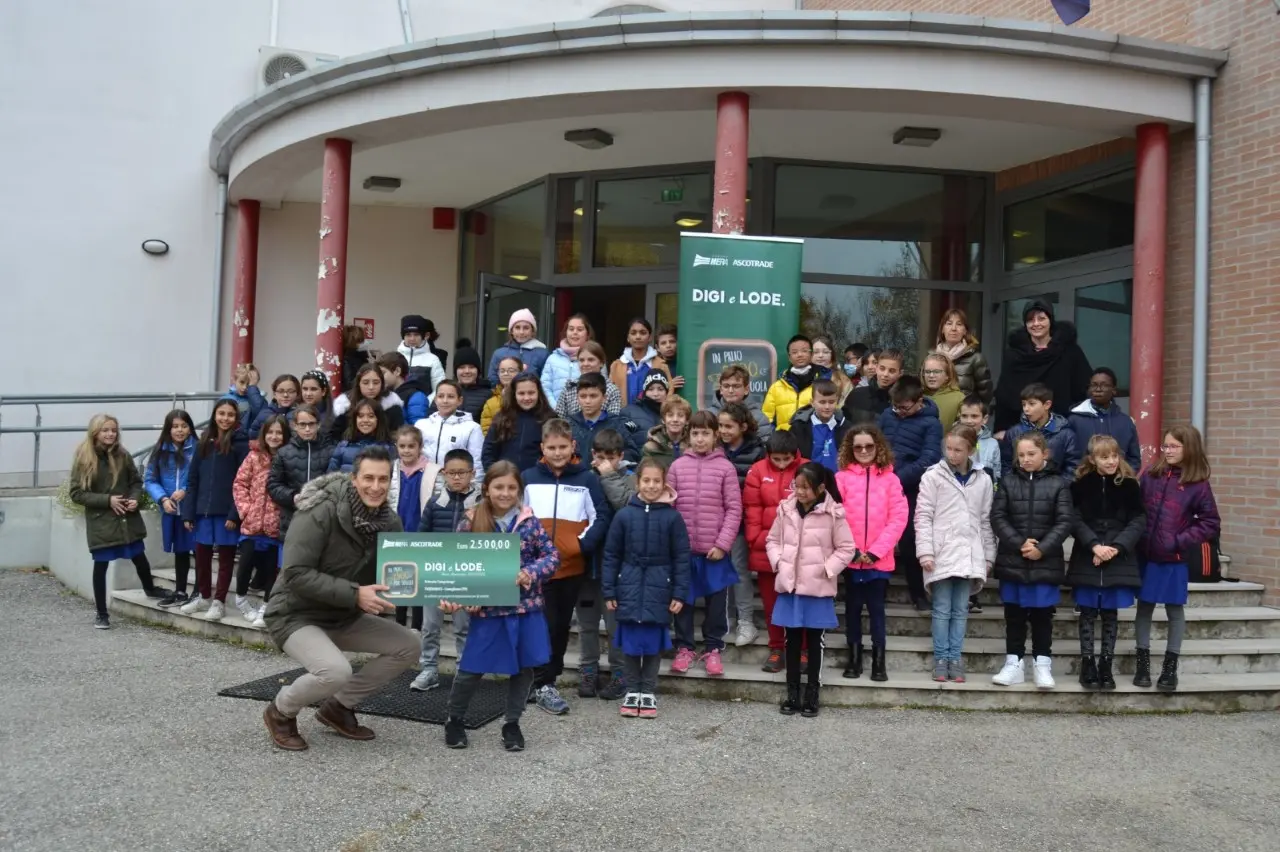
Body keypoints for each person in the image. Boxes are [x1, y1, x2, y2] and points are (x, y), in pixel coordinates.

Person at [260, 447, 420, 752]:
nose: (376, 486)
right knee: (335, 671)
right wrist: (355, 594)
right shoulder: (319, 510)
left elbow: (402, 577)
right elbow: (295, 573)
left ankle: (338, 707)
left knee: (409, 645)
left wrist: (448, 593)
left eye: (383, 479)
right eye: (368, 478)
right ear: (353, 478)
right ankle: (280, 711)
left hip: (342, 613)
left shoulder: (389, 521)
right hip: (295, 613)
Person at [443, 461, 560, 751]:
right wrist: (462, 597)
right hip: (488, 612)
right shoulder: (470, 521)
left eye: (511, 487)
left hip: (525, 609)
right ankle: (454, 720)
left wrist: (530, 573)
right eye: (499, 487)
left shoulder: (529, 522)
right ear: (487, 488)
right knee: (471, 669)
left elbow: (551, 556)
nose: (505, 493)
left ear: (519, 490)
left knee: (523, 670)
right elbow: (456, 566)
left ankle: (512, 723)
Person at [521, 419, 611, 714]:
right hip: (535, 571)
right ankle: (540, 682)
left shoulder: (587, 479)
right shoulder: (529, 478)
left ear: (572, 446)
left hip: (571, 568)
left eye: (562, 447)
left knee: (560, 626)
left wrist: (579, 546)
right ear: (542, 448)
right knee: (541, 625)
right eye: (551, 447)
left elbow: (601, 517)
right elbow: (517, 518)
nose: (557, 453)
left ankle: (548, 680)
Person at [602, 457, 690, 718]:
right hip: (628, 587)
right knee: (630, 645)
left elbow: (682, 558)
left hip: (659, 589)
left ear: (664, 483)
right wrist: (609, 590)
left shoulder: (673, 518)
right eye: (646, 480)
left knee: (652, 644)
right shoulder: (624, 515)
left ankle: (648, 691)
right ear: (637, 482)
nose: (651, 486)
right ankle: (632, 690)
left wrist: (679, 592)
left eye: (657, 481)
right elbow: (611, 555)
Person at [1134, 425, 1220, 693]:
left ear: (1189, 448)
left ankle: (1170, 668)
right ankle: (1142, 665)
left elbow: (1210, 522)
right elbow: (1137, 508)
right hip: (1146, 554)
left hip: (1174, 557)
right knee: (1144, 607)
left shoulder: (1198, 484)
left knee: (1174, 610)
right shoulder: (1150, 474)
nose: (1167, 451)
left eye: (1173, 446)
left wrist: (1178, 541)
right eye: (1165, 446)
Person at [767, 463, 856, 717]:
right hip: (790, 588)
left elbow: (846, 548)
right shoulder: (785, 510)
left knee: (815, 643)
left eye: (806, 487)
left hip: (817, 589)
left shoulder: (834, 514)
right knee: (791, 642)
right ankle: (792, 692)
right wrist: (778, 561)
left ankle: (812, 693)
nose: (801, 492)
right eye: (797, 486)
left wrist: (827, 569)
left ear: (820, 488)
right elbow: (772, 540)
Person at [989, 432, 1075, 690]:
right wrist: (1018, 543)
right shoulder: (1007, 482)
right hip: (1013, 559)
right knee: (1013, 615)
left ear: (1044, 454)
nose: (1025, 459)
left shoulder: (1059, 484)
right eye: (1022, 455)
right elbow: (998, 517)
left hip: (1044, 561)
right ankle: (1013, 663)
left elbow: (1064, 521)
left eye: (1031, 454)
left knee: (1041, 616)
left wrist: (1043, 548)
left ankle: (1042, 664)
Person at [915, 425, 995, 683]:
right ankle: (941, 658)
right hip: (940, 551)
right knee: (941, 608)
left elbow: (985, 520)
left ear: (971, 450)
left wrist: (988, 555)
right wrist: (925, 551)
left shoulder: (982, 479)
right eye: (948, 448)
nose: (952, 454)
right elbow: (923, 516)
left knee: (960, 609)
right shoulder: (933, 476)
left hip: (970, 552)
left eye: (958, 450)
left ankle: (955, 658)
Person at [69, 414, 164, 628]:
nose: (110, 434)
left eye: (113, 430)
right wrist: (107, 500)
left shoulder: (123, 455)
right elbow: (76, 493)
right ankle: (102, 614)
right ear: (95, 432)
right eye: (105, 430)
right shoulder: (84, 457)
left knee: (139, 555)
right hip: (102, 522)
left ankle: (150, 588)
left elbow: (136, 482)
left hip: (126, 519)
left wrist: (133, 499)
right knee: (101, 565)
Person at [667, 411, 742, 677]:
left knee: (716, 604)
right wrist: (674, 545)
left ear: (715, 436)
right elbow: (670, 506)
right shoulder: (677, 467)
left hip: (714, 551)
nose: (700, 439)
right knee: (683, 602)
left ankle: (713, 649)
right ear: (689, 435)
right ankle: (685, 648)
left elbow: (734, 509)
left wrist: (723, 543)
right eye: (696, 433)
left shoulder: (726, 468)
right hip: (684, 552)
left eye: (706, 433)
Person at [1069, 434, 1145, 691]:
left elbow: (1137, 520)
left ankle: (1106, 664)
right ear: (1092, 459)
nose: (1111, 461)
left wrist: (1115, 547)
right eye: (1104, 457)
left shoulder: (1130, 485)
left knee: (1110, 614)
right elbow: (1075, 519)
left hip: (1117, 557)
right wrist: (1094, 545)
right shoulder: (1080, 485)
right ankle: (1087, 663)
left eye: (1114, 455)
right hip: (1087, 555)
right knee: (1088, 613)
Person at [835, 425, 908, 682]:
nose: (864, 451)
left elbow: (898, 519)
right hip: (851, 559)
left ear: (878, 447)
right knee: (852, 610)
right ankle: (853, 658)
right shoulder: (841, 478)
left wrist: (876, 551)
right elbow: (836, 516)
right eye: (858, 447)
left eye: (869, 446)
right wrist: (852, 550)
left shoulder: (891, 479)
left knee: (877, 611)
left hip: (879, 560)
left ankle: (879, 661)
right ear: (850, 450)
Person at [410, 448, 478, 692]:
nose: (457, 478)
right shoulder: (435, 502)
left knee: (464, 626)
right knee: (430, 626)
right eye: (451, 473)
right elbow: (421, 536)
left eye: (462, 472)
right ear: (444, 474)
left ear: (473, 473)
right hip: (435, 574)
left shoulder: (482, 504)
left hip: (467, 576)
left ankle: (463, 669)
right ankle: (429, 669)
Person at [180, 400, 250, 620]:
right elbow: (192, 479)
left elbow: (242, 482)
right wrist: (189, 512)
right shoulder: (204, 442)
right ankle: (203, 596)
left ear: (236, 418)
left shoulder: (241, 444)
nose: (225, 418)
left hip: (226, 513)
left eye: (230, 414)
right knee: (201, 557)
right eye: (221, 413)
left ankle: (219, 602)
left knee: (226, 559)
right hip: (202, 512)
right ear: (214, 415)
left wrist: (234, 514)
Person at [878, 376, 943, 611]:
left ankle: (918, 594)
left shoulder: (931, 424)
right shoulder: (887, 415)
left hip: (911, 487)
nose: (899, 412)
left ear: (919, 402)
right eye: (896, 406)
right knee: (879, 538)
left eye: (904, 407)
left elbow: (929, 458)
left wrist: (897, 479)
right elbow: (877, 444)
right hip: (881, 484)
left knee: (910, 540)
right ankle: (879, 591)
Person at [744, 431, 806, 673]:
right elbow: (752, 508)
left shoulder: (807, 469)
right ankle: (777, 648)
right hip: (766, 548)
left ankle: (801, 650)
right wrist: (756, 539)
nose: (782, 464)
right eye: (777, 459)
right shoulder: (757, 470)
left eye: (787, 459)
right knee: (772, 604)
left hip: (800, 550)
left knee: (799, 602)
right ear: (769, 454)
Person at [993, 299, 1092, 432]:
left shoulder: (1069, 351)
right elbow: (1004, 396)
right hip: (1022, 429)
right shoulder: (1014, 356)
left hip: (1063, 428)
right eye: (1030, 320)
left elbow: (1085, 388)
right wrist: (1001, 428)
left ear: (1050, 320)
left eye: (1041, 319)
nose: (1036, 324)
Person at [230, 413, 289, 628]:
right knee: (245, 565)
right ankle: (241, 600)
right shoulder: (254, 456)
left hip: (275, 526)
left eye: (279, 432)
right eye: (271, 432)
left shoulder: (287, 458)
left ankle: (265, 606)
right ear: (264, 434)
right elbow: (240, 483)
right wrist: (246, 510)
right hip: (252, 524)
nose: (274, 436)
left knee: (270, 568)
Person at [718, 402, 767, 647]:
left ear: (743, 426)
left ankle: (746, 621)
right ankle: (725, 619)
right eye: (720, 426)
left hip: (742, 520)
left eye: (729, 426)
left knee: (738, 569)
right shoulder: (716, 450)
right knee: (722, 569)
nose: (724, 431)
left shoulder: (758, 451)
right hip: (717, 519)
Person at [388, 425, 441, 633]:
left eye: (411, 446)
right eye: (402, 446)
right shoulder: (391, 470)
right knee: (400, 580)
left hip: (421, 532)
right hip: (398, 532)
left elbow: (437, 501)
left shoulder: (433, 471)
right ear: (396, 447)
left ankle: (417, 627)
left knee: (419, 582)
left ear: (420, 447)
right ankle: (400, 625)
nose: (407, 450)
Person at [145, 409, 198, 609]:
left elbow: (203, 477)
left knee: (198, 551)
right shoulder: (160, 450)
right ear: (168, 429)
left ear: (190, 428)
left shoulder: (198, 449)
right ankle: (180, 590)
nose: (179, 430)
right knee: (180, 552)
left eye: (184, 426)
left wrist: (185, 490)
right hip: (171, 511)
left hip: (192, 510)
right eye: (175, 426)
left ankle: (199, 591)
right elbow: (150, 480)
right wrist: (163, 498)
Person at [267, 404, 335, 543]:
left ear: (319, 424)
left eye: (311, 424)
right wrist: (293, 497)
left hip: (323, 519)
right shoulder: (284, 453)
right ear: (294, 425)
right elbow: (273, 484)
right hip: (292, 520)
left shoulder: (331, 451)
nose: (307, 429)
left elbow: (336, 483)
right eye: (303, 424)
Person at [1001, 382, 1080, 484]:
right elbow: (1006, 465)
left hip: (1053, 496)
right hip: (1021, 496)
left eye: (1031, 404)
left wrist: (1057, 488)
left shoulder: (1066, 434)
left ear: (1047, 405)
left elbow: (1073, 468)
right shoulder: (1013, 433)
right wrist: (1016, 487)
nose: (1026, 409)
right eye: (1023, 404)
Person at [1068, 367, 1141, 472]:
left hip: (1117, 483)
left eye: (1104, 385)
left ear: (1114, 390)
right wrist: (1079, 477)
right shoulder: (1074, 419)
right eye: (1094, 385)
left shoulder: (1126, 422)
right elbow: (1069, 457)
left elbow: (1134, 459)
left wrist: (1123, 478)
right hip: (1084, 482)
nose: (1098, 389)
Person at [481, 371, 555, 472]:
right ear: (514, 394)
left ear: (539, 393)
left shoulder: (550, 419)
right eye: (521, 393)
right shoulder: (502, 418)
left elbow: (555, 454)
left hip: (537, 482)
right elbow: (488, 452)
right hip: (506, 480)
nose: (526, 398)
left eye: (531, 393)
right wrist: (495, 476)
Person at [414, 379, 484, 477]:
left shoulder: (472, 428)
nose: (445, 401)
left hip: (456, 484)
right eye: (441, 396)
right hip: (424, 483)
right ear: (435, 399)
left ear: (459, 400)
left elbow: (477, 463)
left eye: (451, 397)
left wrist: (475, 488)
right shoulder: (421, 425)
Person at [566, 372, 636, 465]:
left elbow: (632, 454)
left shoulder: (616, 424)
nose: (587, 401)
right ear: (577, 398)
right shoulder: (569, 424)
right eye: (583, 396)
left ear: (604, 398)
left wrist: (611, 463)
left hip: (607, 476)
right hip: (576, 477)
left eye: (593, 396)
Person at [788, 378, 850, 472]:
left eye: (831, 402)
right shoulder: (799, 427)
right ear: (812, 402)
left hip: (838, 482)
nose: (827, 407)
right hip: (809, 482)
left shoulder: (846, 427)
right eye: (822, 402)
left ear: (837, 401)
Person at [330, 363, 405, 440]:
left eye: (376, 383)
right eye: (365, 383)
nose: (371, 387)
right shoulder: (345, 406)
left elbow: (398, 437)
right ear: (358, 384)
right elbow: (333, 438)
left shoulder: (392, 407)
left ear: (382, 384)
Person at [934, 309, 993, 404]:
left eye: (959, 324)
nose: (953, 328)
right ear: (942, 330)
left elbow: (985, 395)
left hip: (964, 415)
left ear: (965, 331)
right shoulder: (931, 358)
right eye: (949, 323)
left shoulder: (976, 359)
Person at [609, 317, 671, 405]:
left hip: (653, 417)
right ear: (628, 338)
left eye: (643, 333)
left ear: (650, 337)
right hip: (623, 416)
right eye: (633, 333)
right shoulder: (616, 366)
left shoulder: (661, 365)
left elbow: (669, 395)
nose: (638, 336)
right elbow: (610, 395)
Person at [556, 341, 623, 418]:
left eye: (591, 360)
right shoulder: (569, 388)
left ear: (601, 362)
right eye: (581, 360)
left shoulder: (612, 390)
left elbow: (613, 422)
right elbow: (559, 419)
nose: (585, 364)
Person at [762, 335, 815, 431]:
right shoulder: (776, 387)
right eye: (794, 352)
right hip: (784, 441)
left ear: (811, 355)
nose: (800, 355)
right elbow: (766, 419)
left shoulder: (820, 384)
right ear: (789, 357)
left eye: (804, 351)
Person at [328, 399, 394, 474]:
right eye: (360, 416)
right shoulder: (343, 446)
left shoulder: (388, 448)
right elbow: (330, 478)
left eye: (371, 416)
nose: (365, 420)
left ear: (378, 419)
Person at [540, 313, 594, 405]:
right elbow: (545, 386)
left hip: (584, 414)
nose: (575, 332)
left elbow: (600, 387)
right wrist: (556, 408)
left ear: (588, 334)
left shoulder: (594, 358)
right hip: (554, 414)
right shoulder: (553, 358)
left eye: (580, 329)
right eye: (571, 329)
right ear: (566, 332)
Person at [706, 364, 771, 438]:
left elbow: (763, 447)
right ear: (721, 389)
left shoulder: (759, 418)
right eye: (726, 386)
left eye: (736, 386)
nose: (730, 391)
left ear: (746, 389)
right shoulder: (708, 415)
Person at [486, 309, 549, 384]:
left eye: (526, 328)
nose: (521, 332)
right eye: (517, 327)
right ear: (511, 331)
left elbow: (546, 382)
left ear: (532, 331)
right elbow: (492, 380)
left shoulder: (542, 354)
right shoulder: (499, 354)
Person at [843, 347, 903, 425]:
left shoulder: (902, 402)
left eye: (891, 371)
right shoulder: (857, 394)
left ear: (900, 373)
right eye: (882, 368)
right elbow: (844, 425)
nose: (885, 374)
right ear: (877, 368)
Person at [620, 372, 668, 459]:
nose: (656, 394)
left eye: (660, 389)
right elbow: (623, 442)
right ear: (645, 391)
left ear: (666, 393)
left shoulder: (671, 415)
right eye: (651, 389)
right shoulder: (629, 412)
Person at [378, 352, 432, 426]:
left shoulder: (416, 396)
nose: (379, 378)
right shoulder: (384, 394)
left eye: (383, 373)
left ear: (397, 371)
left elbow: (417, 428)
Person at [396, 314, 446, 390]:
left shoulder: (433, 360)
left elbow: (440, 389)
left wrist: (425, 401)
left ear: (424, 336)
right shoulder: (394, 358)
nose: (412, 339)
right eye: (408, 335)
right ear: (403, 336)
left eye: (416, 335)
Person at [958, 395, 1000, 483]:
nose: (969, 421)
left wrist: (994, 491)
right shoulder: (952, 441)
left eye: (974, 416)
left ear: (984, 419)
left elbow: (996, 475)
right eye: (964, 416)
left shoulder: (993, 444)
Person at [641, 395, 691, 467]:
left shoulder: (693, 445)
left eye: (680, 415)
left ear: (687, 421)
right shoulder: (651, 447)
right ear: (663, 420)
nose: (675, 420)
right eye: (670, 415)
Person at [246, 373, 299, 441]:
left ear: (297, 394)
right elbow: (253, 436)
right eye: (281, 391)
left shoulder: (301, 414)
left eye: (290, 391)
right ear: (274, 394)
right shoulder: (264, 414)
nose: (285, 395)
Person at [920, 353, 965, 430]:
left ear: (948, 375)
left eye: (936, 372)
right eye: (927, 372)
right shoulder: (917, 395)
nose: (931, 375)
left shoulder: (959, 398)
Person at [451, 341, 492, 422]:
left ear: (478, 370)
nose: (467, 371)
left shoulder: (489, 395)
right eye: (462, 367)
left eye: (471, 367)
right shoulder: (446, 391)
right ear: (456, 371)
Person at [482, 356, 521, 435]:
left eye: (511, 370)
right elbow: (486, 431)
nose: (506, 374)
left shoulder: (527, 397)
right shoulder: (491, 403)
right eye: (502, 371)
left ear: (520, 372)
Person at [811, 334, 853, 407]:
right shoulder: (802, 376)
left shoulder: (842, 380)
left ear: (832, 355)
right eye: (816, 352)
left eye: (825, 352)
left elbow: (845, 405)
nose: (821, 355)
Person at [341, 324, 372, 395]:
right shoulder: (347, 361)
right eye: (360, 341)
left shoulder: (361, 358)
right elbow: (350, 384)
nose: (365, 342)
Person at [656, 323, 684, 392]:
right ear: (657, 348)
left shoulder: (685, 364)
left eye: (672, 341)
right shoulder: (655, 367)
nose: (668, 345)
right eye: (663, 343)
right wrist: (669, 385)